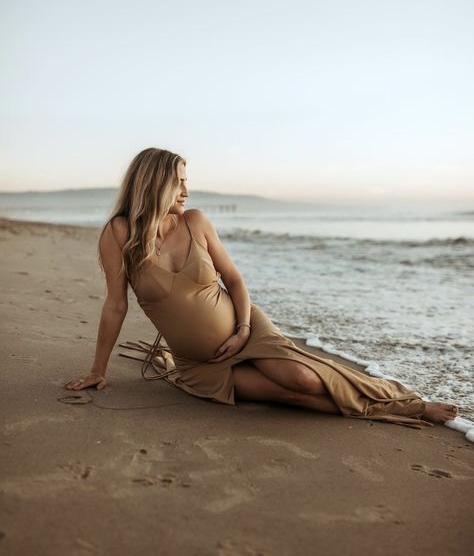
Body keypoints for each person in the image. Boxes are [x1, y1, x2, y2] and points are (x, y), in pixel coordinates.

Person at [65, 147, 458, 428]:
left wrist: (243, 331)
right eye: (179, 182)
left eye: (187, 182)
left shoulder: (196, 221)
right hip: (199, 365)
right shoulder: (119, 234)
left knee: (302, 378)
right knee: (292, 395)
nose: (186, 191)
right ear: (155, 184)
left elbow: (234, 280)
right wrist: (98, 370)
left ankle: (407, 403)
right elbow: (116, 305)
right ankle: (394, 412)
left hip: (246, 328)